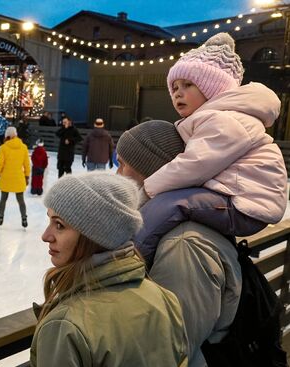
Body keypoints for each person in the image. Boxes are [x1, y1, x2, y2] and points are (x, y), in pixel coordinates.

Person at [138, 32, 287, 257]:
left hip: (245, 205)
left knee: (169, 203)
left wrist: (147, 190)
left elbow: (194, 165)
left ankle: (133, 257)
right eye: (175, 87)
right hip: (235, 196)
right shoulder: (215, 118)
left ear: (213, 88)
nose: (178, 92)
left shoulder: (225, 120)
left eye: (187, 84)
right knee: (169, 201)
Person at [116, 120, 242, 366]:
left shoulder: (184, 246)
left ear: (150, 169)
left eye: (122, 164)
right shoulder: (169, 224)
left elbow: (172, 348)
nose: (117, 174)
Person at [30, 172, 188, 366]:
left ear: (95, 236)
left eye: (59, 225)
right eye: (50, 221)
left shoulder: (66, 326)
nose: (46, 236)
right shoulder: (164, 299)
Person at [0, 127, 30, 227]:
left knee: (3, 198)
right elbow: (26, 164)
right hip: (18, 177)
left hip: (6, 177)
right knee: (21, 200)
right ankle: (24, 218)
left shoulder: (3, 148)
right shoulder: (23, 147)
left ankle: (1, 216)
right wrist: (27, 176)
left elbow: (0, 164)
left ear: (7, 136)